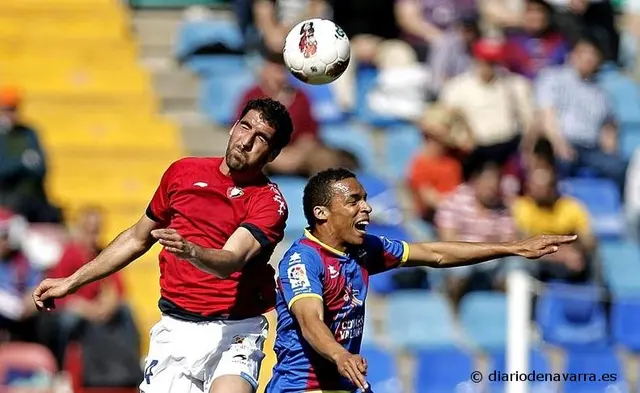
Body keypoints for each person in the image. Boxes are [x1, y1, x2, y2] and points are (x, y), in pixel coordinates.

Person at [32, 98, 294, 393]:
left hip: (235, 329)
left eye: (260, 138)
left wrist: (191, 250)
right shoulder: (183, 173)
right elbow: (136, 238)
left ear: (272, 154)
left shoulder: (269, 203)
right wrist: (71, 282)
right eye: (245, 126)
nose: (246, 141)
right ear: (233, 127)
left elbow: (230, 259)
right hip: (176, 326)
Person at [266, 168, 576, 393]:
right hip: (301, 385)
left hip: (346, 382)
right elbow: (310, 321)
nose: (367, 207)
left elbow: (435, 253)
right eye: (354, 201)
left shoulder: (364, 249)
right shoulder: (302, 260)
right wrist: (340, 354)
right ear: (321, 212)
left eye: (366, 199)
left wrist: (512, 248)